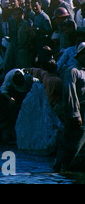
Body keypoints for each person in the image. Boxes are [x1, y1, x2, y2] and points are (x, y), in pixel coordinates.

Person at [54, 42, 85, 172]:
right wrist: (75, 114)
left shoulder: (83, 71)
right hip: (75, 112)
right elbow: (70, 93)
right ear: (81, 55)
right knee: (72, 143)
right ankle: (62, 169)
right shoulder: (72, 71)